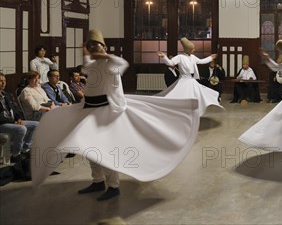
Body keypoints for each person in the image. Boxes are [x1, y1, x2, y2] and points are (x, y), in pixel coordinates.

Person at [31, 29, 201, 201]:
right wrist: (89, 52)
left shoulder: (110, 63)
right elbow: (88, 70)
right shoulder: (93, 64)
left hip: (106, 112)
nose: (93, 48)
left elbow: (122, 64)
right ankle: (97, 180)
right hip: (89, 110)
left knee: (106, 151)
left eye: (97, 46)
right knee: (90, 150)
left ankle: (113, 186)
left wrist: (102, 54)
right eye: (91, 46)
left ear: (104, 48)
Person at [156, 38, 223, 117]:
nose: (194, 50)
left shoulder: (193, 57)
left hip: (192, 81)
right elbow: (170, 63)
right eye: (193, 49)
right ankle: (181, 113)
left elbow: (201, 61)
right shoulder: (180, 57)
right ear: (188, 49)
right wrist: (164, 56)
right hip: (183, 80)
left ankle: (193, 113)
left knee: (198, 95)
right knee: (181, 97)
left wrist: (211, 58)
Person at [0, 72, 38, 163]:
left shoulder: (7, 94)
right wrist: (14, 121)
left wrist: (19, 119)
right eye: (0, 81)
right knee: (21, 129)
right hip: (2, 124)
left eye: (4, 81)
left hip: (13, 121)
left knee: (36, 125)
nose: (3, 83)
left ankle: (25, 149)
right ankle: (16, 154)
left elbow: (16, 109)